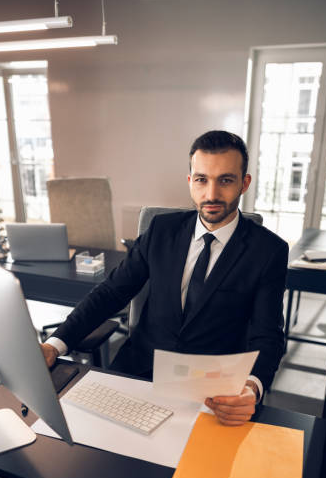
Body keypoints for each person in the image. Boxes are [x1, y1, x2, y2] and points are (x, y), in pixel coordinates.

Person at [41, 130, 288, 426]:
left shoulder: (268, 251)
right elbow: (111, 293)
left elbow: (267, 335)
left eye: (225, 180)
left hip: (212, 391)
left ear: (244, 183)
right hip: (138, 373)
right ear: (189, 182)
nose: (211, 194)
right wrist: (55, 344)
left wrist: (252, 387)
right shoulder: (161, 230)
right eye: (201, 180)